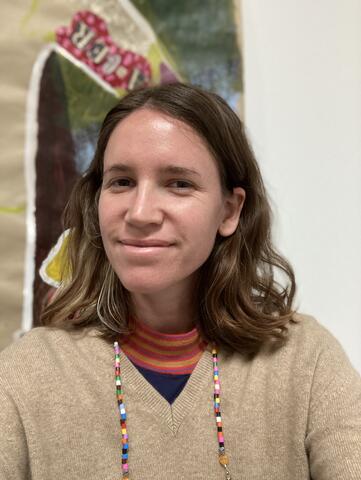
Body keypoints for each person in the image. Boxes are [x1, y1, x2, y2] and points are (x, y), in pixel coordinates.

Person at [0, 83, 360, 480]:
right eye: (121, 181)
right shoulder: (27, 373)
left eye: (179, 183)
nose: (140, 213)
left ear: (229, 210)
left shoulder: (305, 361)